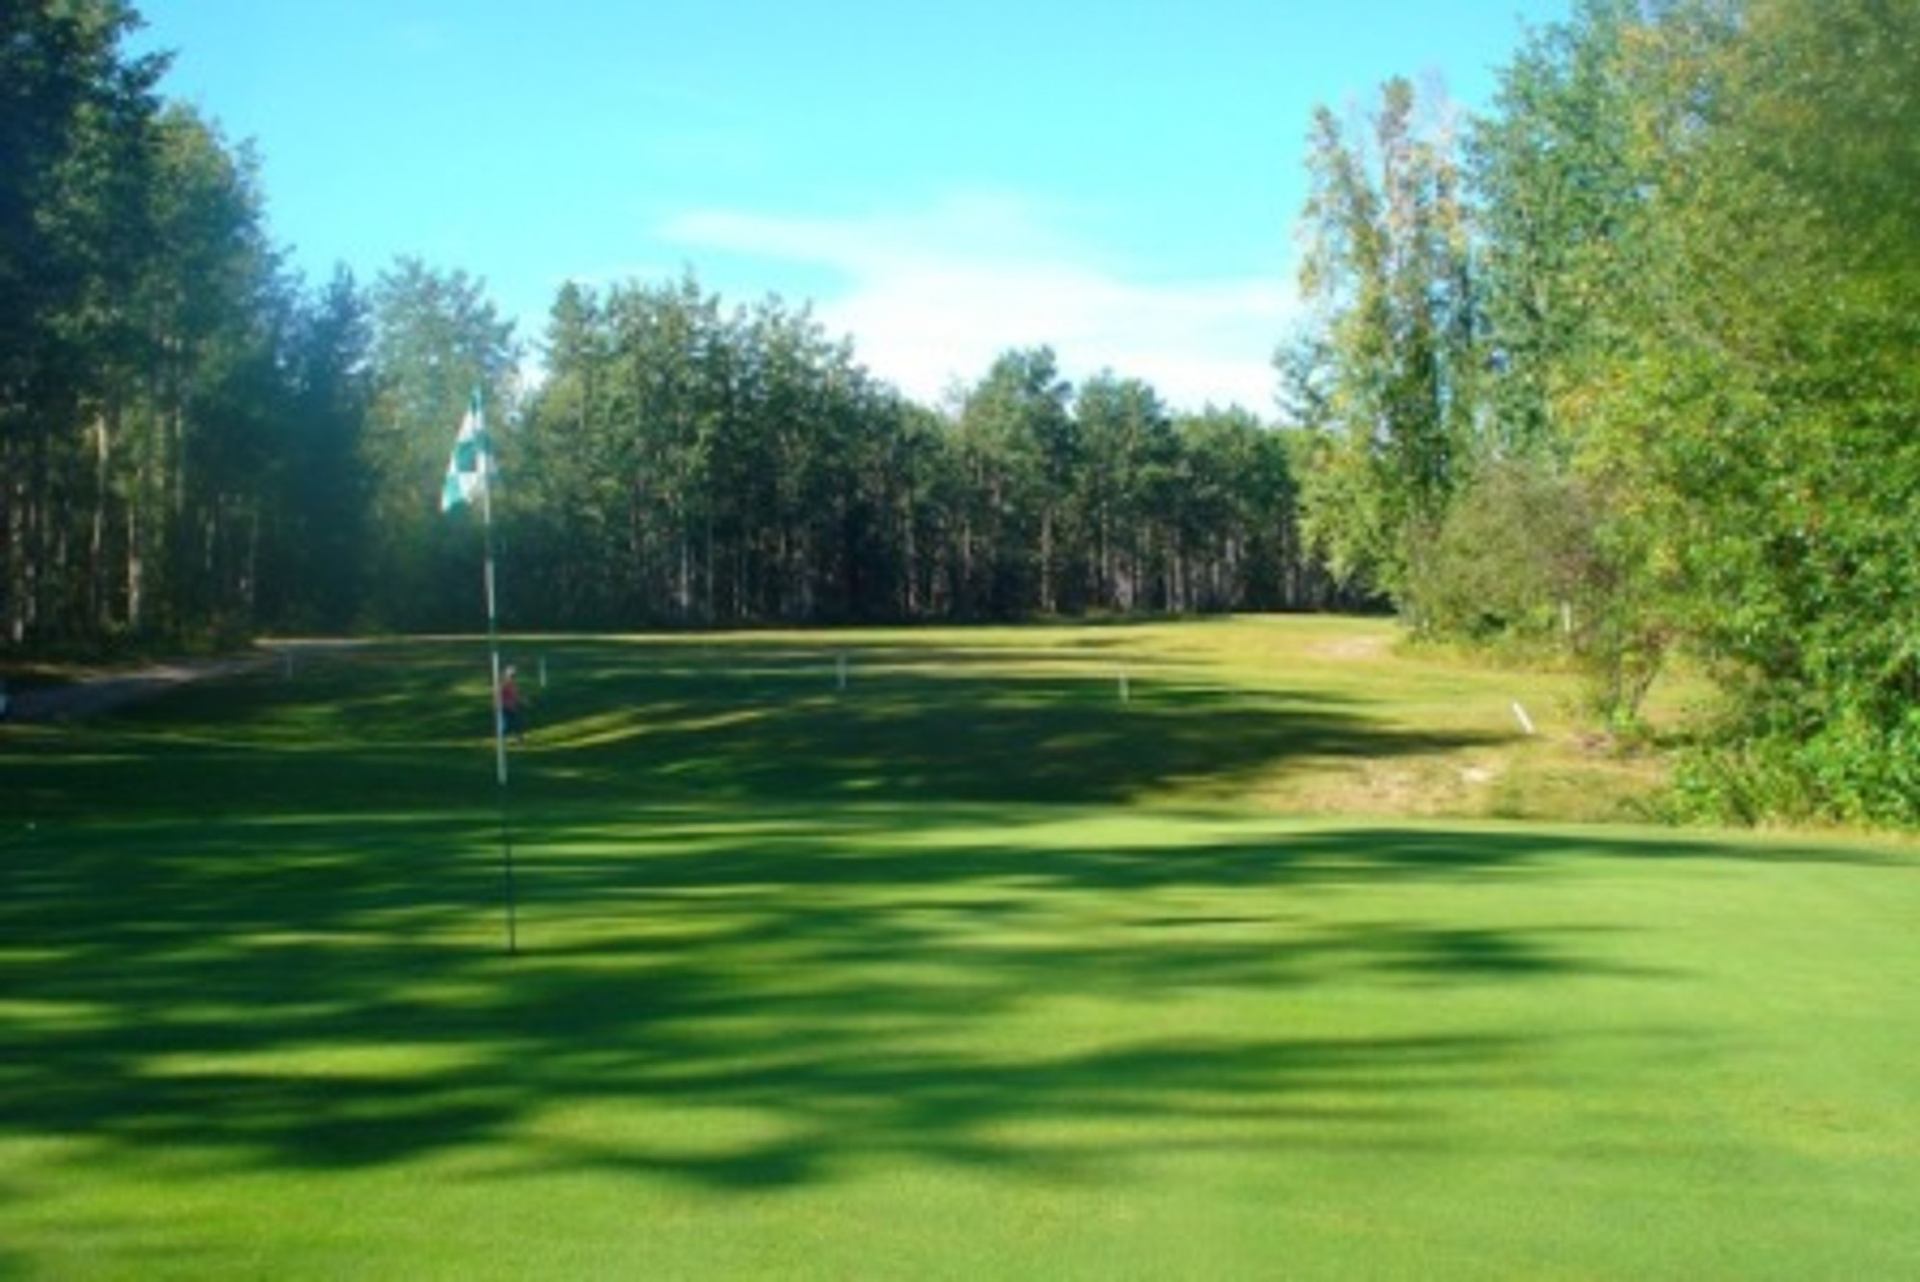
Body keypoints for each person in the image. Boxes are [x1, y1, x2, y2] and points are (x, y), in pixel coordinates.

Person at [499, 664, 525, 744]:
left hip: (512, 707)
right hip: (505, 707)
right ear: (506, 675)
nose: (513, 677)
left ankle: (519, 738)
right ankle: (502, 740)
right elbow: (499, 695)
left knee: (517, 723)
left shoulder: (513, 685)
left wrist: (523, 701)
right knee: (505, 725)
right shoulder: (504, 684)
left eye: (514, 675)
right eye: (511, 675)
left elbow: (516, 695)